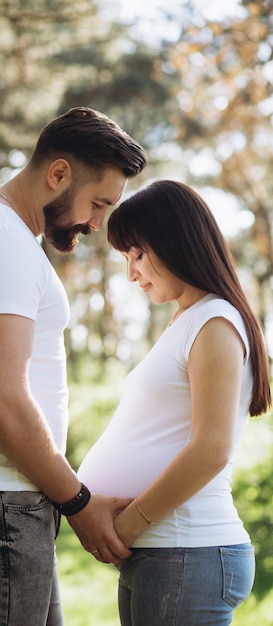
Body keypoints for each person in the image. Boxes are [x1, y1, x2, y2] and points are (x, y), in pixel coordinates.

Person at [0, 106, 147, 626]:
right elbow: (2, 400)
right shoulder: (2, 244)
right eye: (98, 202)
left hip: (6, 503)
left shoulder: (9, 239)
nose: (95, 222)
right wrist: (79, 503)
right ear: (58, 173)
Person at [78, 180, 271, 626]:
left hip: (187, 551)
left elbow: (211, 449)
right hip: (166, 554)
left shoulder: (215, 320)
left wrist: (126, 527)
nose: (130, 273)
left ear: (177, 241)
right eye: (125, 258)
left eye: (138, 254)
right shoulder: (189, 319)